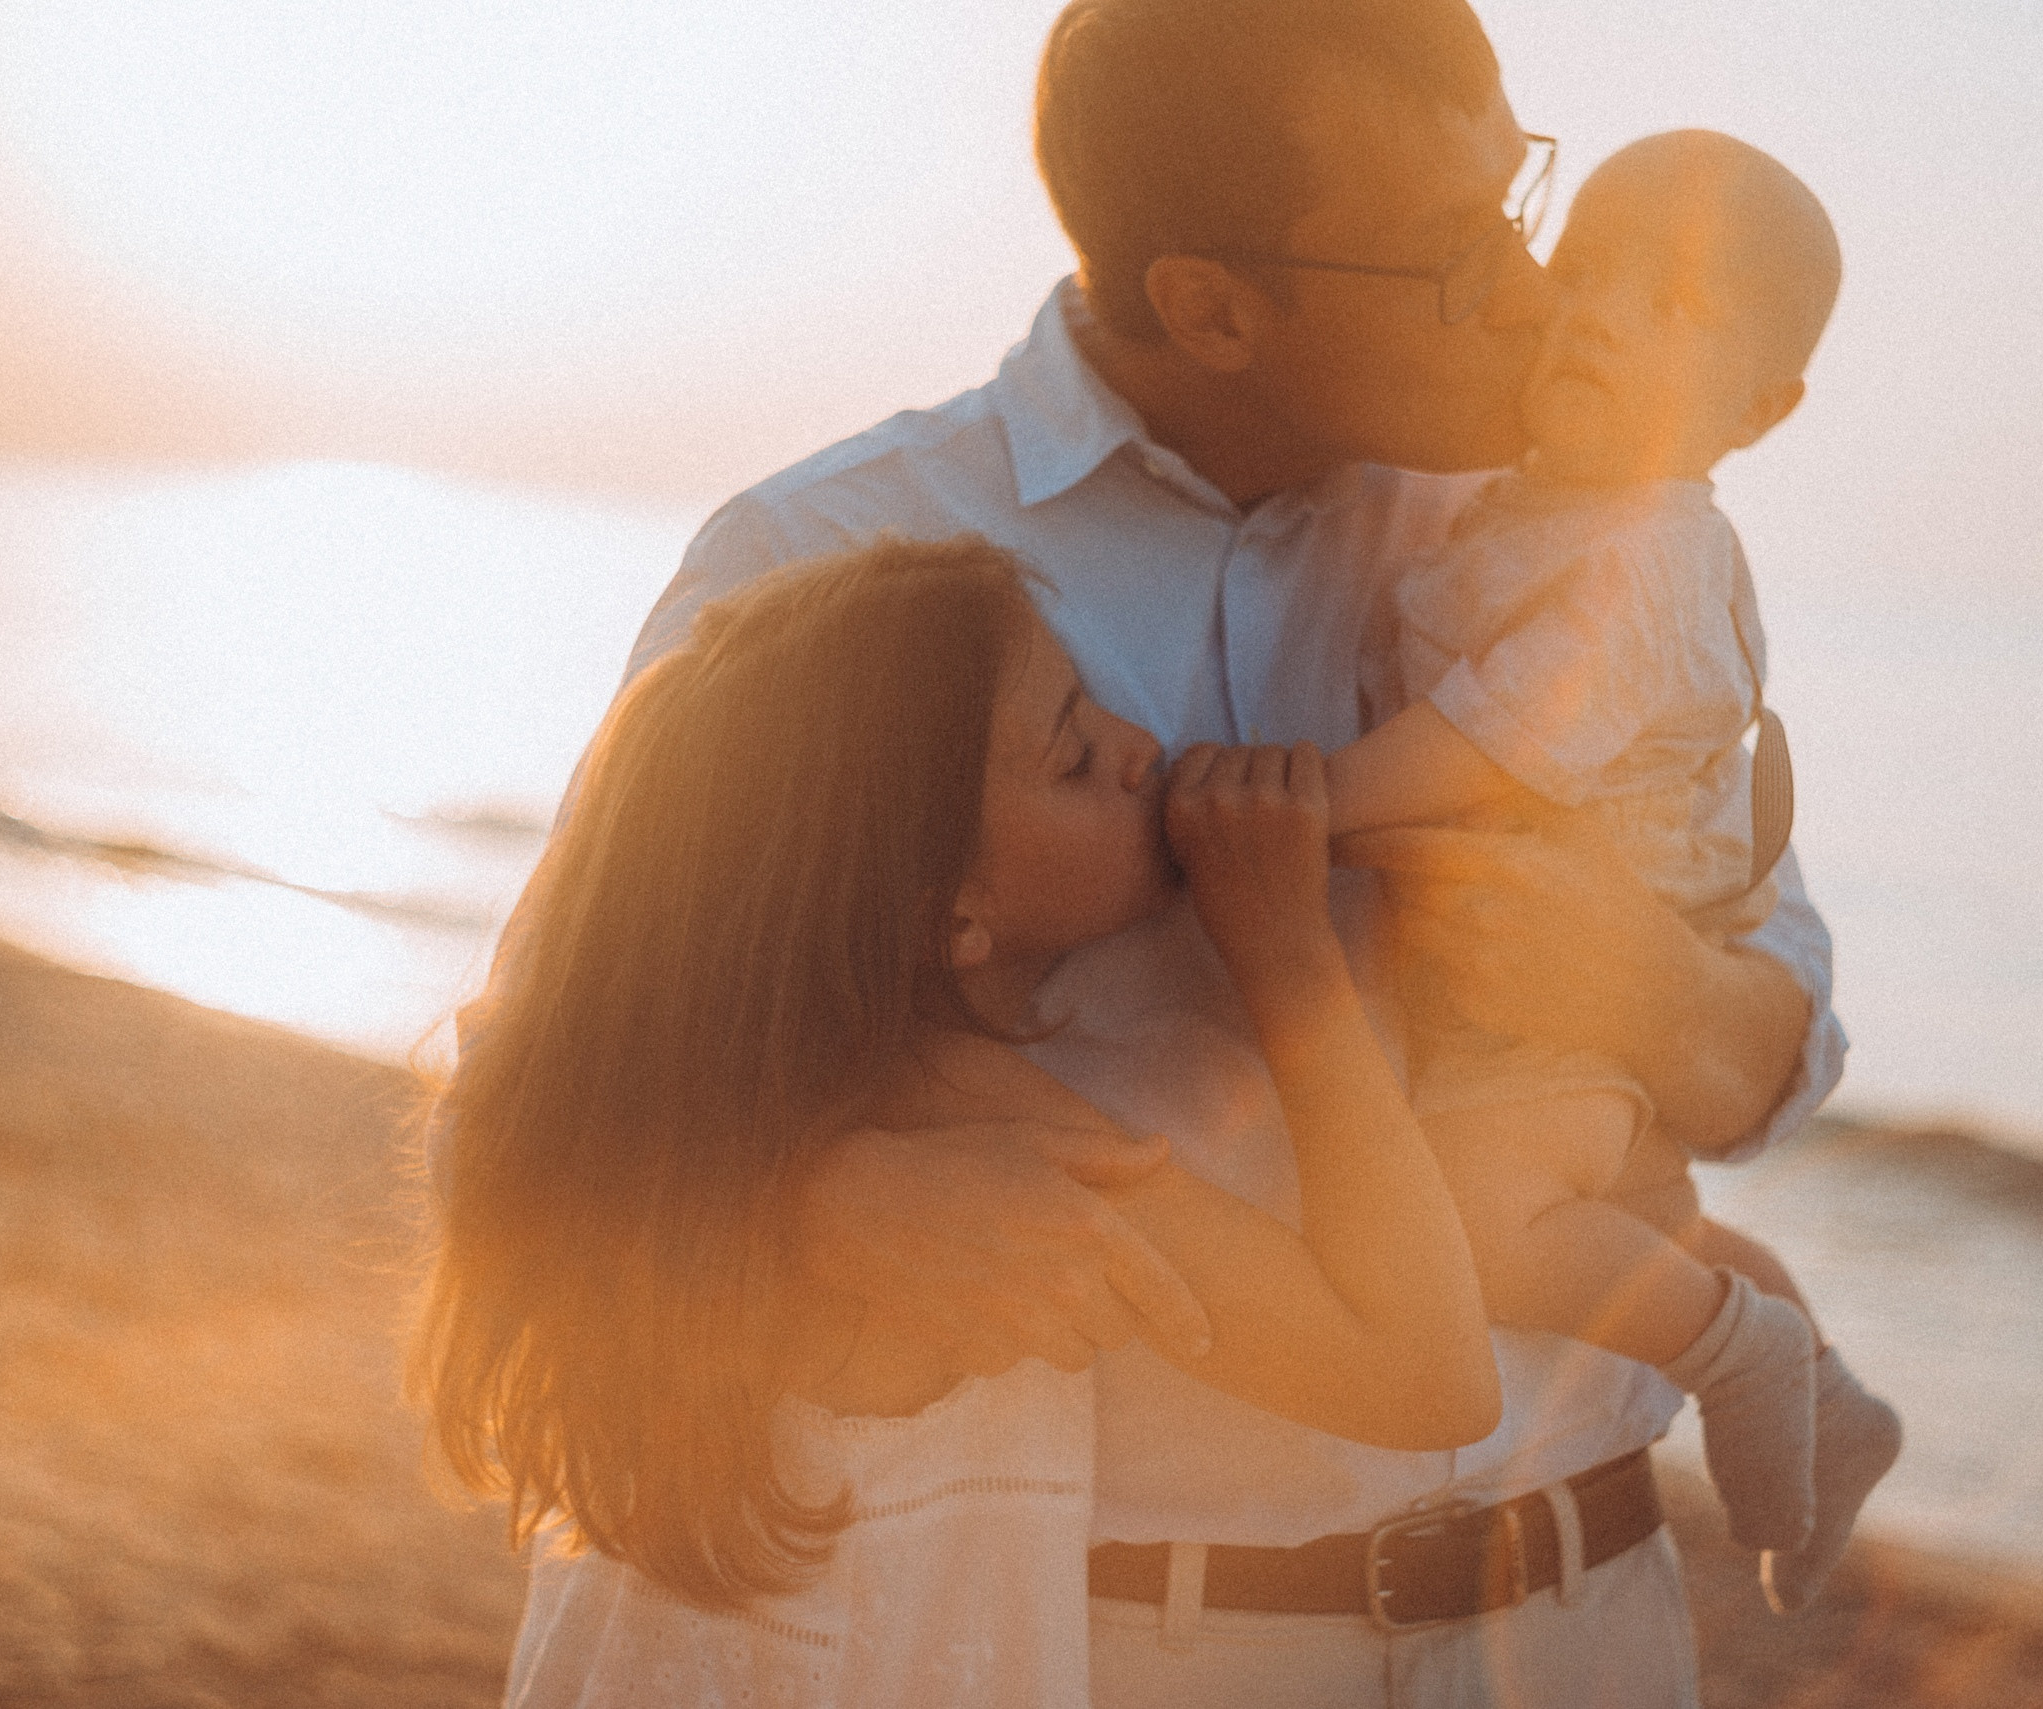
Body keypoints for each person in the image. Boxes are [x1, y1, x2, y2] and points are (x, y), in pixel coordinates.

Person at [612, 0, 1846, 1700]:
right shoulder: (831, 560)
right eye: (1449, 247)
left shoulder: (1577, 520)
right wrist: (817, 1196)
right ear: (1210, 304)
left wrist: (1650, 991)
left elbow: (1776, 1042)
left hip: (1590, 1605)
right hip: (1149, 1639)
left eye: (1519, 200)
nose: (1526, 288)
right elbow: (553, 1085)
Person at [416, 536, 1501, 1707]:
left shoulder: (717, 1103)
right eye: (1074, 756)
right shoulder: (953, 1109)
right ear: (950, 916)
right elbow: (1425, 1372)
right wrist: (1288, 955)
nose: (1139, 748)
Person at [1324, 128, 1901, 1614]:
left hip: (1544, 1002)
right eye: (1583, 271)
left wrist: (1312, 807)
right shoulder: (1528, 507)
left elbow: (1489, 741)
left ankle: (1742, 1354)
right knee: (1653, 1224)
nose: (1595, 315)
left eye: (1671, 305)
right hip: (1523, 992)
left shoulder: (1647, 557)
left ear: (1761, 407)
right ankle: (1832, 1401)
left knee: (1489, 1227)